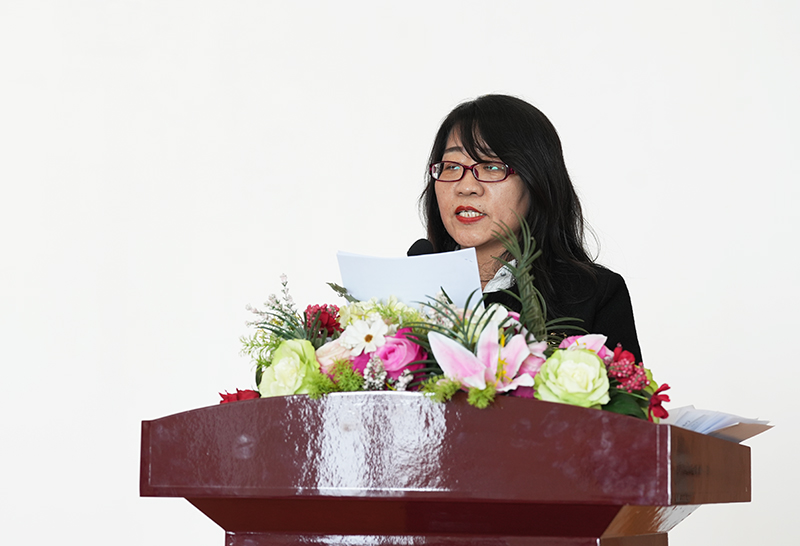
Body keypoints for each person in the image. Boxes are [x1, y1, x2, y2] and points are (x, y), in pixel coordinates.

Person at [411, 94, 643, 362]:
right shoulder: (406, 293)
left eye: (491, 166)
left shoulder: (593, 295)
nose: (466, 186)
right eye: (452, 167)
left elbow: (625, 388)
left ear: (536, 180)